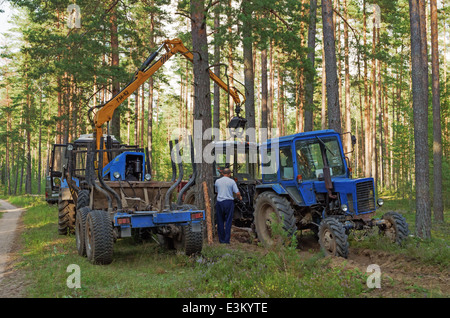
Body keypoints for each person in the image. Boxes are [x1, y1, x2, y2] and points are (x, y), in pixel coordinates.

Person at [214, 168, 242, 244]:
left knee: (220, 221)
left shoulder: (217, 181)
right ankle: (226, 241)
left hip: (219, 202)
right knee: (228, 222)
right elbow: (237, 193)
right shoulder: (232, 181)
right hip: (229, 203)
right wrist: (240, 198)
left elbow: (216, 191)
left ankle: (221, 240)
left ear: (222, 173)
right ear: (229, 174)